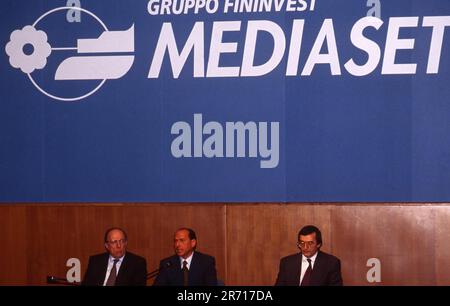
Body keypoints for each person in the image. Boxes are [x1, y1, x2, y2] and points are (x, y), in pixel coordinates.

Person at [275, 225, 343, 286]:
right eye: (302, 243)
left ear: (318, 244)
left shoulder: (331, 263)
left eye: (310, 243)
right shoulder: (287, 263)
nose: (305, 247)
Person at [82, 227, 147, 286]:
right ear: (107, 245)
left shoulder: (137, 263)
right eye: (114, 242)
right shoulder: (96, 261)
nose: (119, 246)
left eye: (122, 241)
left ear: (126, 243)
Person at [153, 228, 217, 286]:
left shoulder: (206, 262)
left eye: (182, 240)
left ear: (193, 243)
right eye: (175, 241)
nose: (177, 245)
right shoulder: (167, 264)